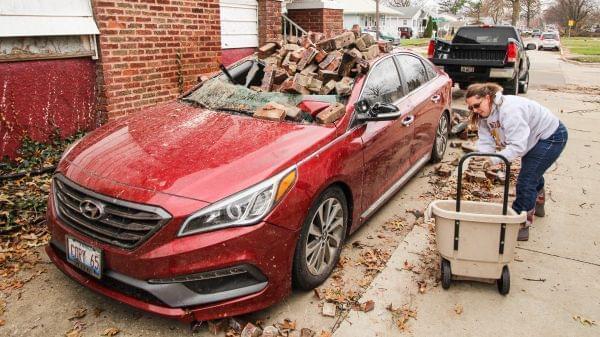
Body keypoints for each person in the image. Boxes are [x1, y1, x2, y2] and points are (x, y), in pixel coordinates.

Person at [465, 83, 568, 241]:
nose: (475, 110)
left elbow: (518, 146)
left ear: (488, 98)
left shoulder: (510, 110)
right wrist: (486, 157)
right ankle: (538, 199)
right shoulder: (483, 117)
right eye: (471, 108)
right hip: (532, 140)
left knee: (526, 181)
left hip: (551, 137)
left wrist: (494, 159)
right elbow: (486, 141)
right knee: (532, 173)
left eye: (477, 106)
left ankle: (520, 224)